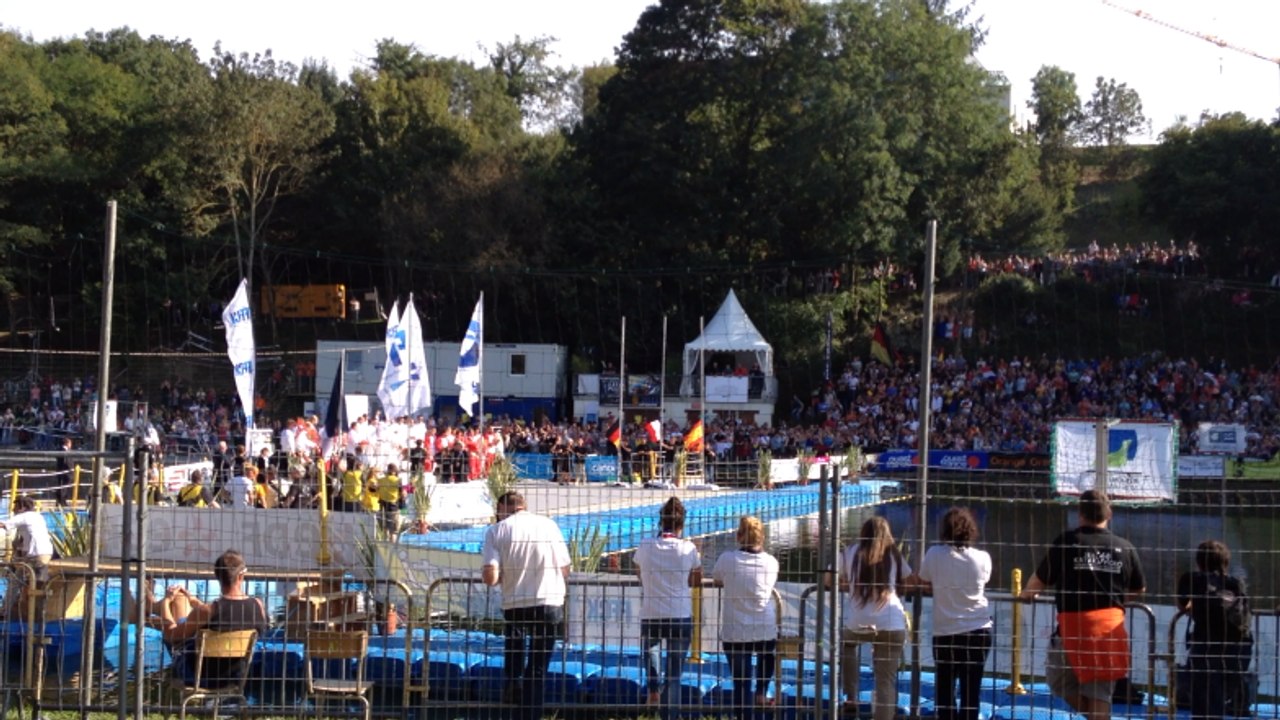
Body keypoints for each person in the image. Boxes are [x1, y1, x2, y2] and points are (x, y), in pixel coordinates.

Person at [1019, 490, 1146, 720]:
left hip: (1073, 629)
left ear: (1080, 514)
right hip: (1109, 630)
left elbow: (1040, 579)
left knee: (1058, 681)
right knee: (1100, 695)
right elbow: (1139, 589)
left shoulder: (1067, 542)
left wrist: (1028, 593)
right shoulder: (1125, 547)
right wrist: (1116, 600)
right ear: (1110, 513)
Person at [481, 491, 570, 720]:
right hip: (548, 599)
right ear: (523, 505)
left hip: (515, 602)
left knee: (515, 646)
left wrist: (501, 576)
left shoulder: (496, 531)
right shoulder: (549, 525)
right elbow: (565, 567)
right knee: (538, 666)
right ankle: (531, 712)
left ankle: (514, 683)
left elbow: (490, 576)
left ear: (503, 508)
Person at [839, 516, 916, 720]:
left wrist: (849, 585)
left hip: (858, 621)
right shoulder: (894, 555)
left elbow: (829, 579)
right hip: (891, 621)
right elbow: (910, 581)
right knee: (885, 680)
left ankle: (851, 696)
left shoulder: (850, 553)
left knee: (846, 644)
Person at [919, 507, 992, 720]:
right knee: (972, 691)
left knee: (944, 690)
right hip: (978, 629)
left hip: (946, 632)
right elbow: (984, 581)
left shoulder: (934, 554)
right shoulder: (982, 558)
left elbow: (924, 580)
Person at [634, 496, 702, 719]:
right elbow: (696, 581)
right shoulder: (688, 548)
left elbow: (639, 574)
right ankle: (669, 714)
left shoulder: (645, 545)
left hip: (652, 610)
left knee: (651, 650)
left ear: (661, 522)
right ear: (682, 524)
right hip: (679, 613)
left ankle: (653, 690)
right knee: (674, 674)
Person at [160, 549, 269, 685]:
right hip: (238, 677)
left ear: (217, 576)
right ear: (241, 576)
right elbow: (230, 615)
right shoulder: (258, 605)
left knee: (177, 630)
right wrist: (196, 603)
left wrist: (166, 601)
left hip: (201, 678)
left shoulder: (209, 610)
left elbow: (170, 634)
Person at [1176, 540, 1252, 720]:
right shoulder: (1236, 582)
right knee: (1220, 698)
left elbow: (1183, 606)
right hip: (1237, 647)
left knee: (1203, 702)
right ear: (1226, 562)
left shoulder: (1193, 578)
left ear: (1199, 561)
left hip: (1206, 645)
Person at [712, 516, 779, 719]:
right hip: (764, 627)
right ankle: (761, 691)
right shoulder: (771, 562)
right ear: (762, 538)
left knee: (741, 684)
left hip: (736, 630)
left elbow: (717, 579)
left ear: (738, 536)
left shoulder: (727, 559)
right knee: (766, 657)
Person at [0, 495, 55, 618]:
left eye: (16, 506)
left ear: (22, 507)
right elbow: (25, 538)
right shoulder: (38, 517)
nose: (13, 508)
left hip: (36, 555)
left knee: (29, 584)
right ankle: (33, 613)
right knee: (33, 583)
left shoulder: (23, 517)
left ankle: (9, 612)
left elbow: (3, 525)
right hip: (43, 553)